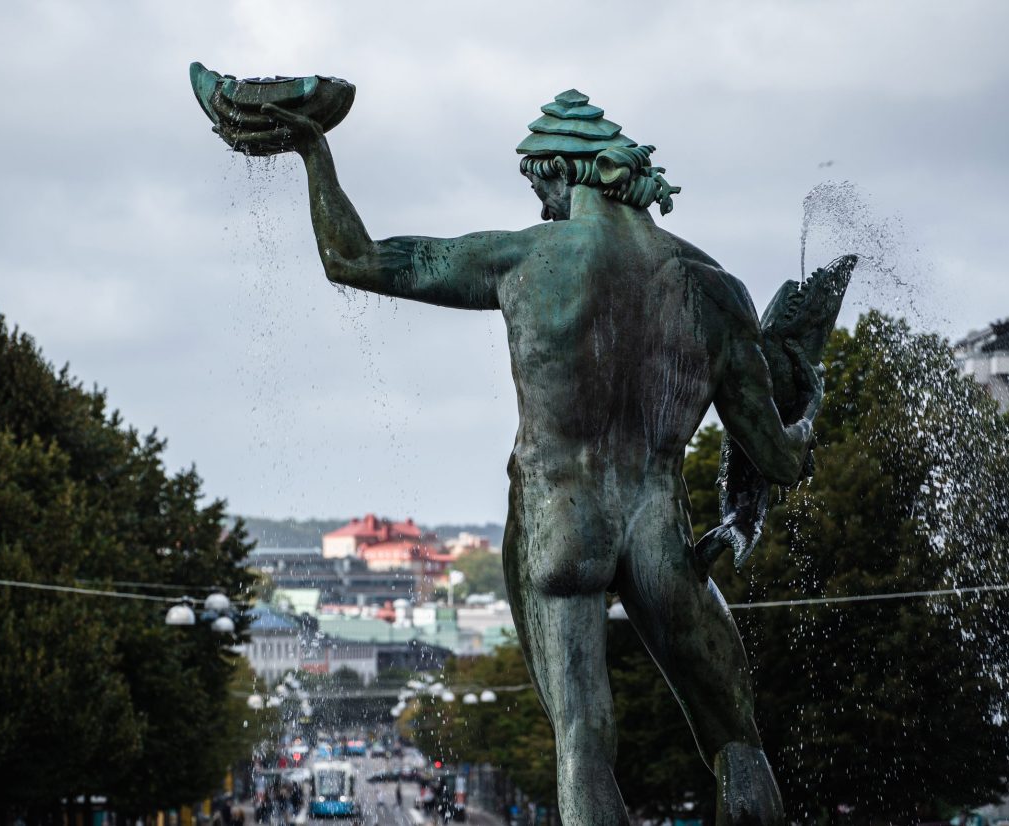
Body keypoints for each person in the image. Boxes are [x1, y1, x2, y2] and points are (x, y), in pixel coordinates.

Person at [216, 88, 823, 826]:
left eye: (541, 188)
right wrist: (811, 400)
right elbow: (780, 458)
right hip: (663, 533)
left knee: (584, 741)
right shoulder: (717, 291)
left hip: (561, 520)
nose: (542, 207)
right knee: (736, 738)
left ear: (564, 174)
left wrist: (313, 151)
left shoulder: (524, 258)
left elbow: (354, 257)